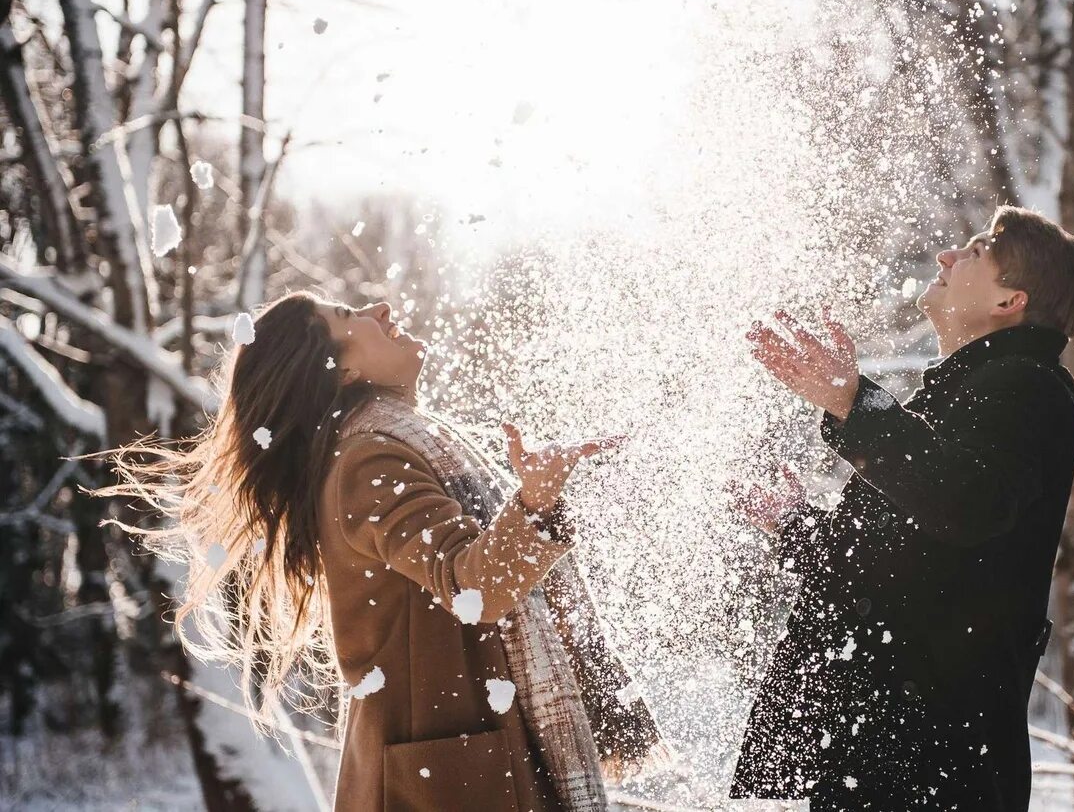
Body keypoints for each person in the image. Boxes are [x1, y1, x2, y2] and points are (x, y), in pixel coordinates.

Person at [102, 291, 663, 811]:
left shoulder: (392, 442)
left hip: (462, 763)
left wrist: (542, 500)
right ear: (343, 371)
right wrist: (535, 502)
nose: (382, 309)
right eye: (350, 317)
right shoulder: (371, 461)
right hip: (449, 779)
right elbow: (473, 588)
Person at [731, 206, 1074, 811]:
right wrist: (792, 522)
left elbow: (968, 503)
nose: (947, 257)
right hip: (886, 753)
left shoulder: (1031, 388)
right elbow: (893, 574)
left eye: (977, 251)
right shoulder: (962, 395)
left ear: (1010, 300)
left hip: (933, 765)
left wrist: (855, 402)